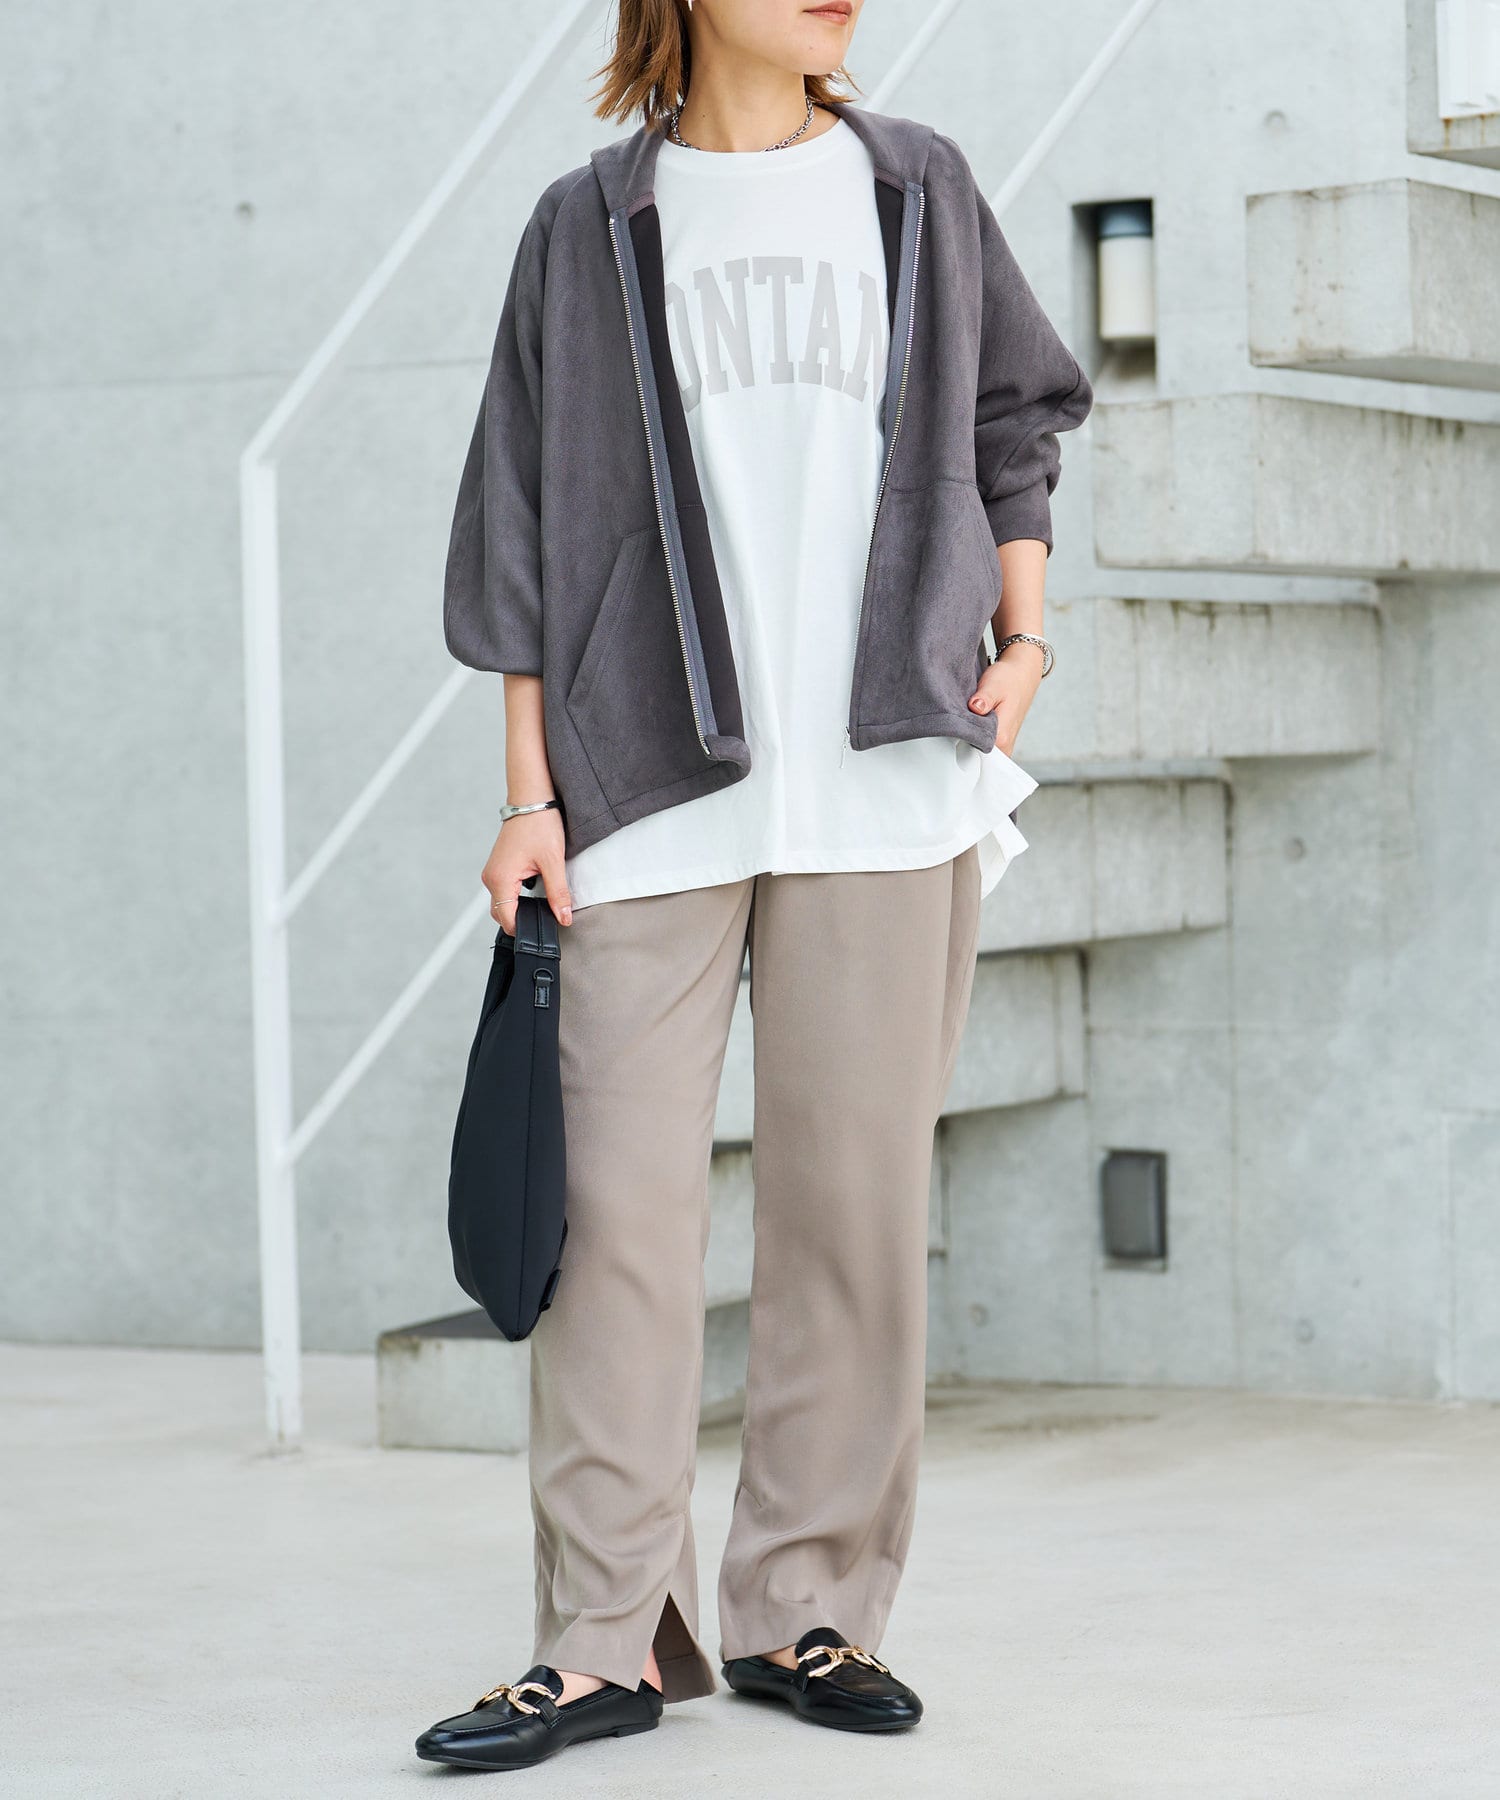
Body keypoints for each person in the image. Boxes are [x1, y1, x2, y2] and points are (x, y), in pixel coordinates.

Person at [416, 0, 1092, 1773]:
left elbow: (1016, 417)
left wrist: (1026, 635)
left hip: (888, 777)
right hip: (644, 781)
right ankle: (599, 1641)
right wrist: (527, 797)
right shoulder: (587, 224)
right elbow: (519, 525)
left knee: (851, 1218)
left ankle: (808, 1606)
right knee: (612, 1231)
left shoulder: (917, 187)